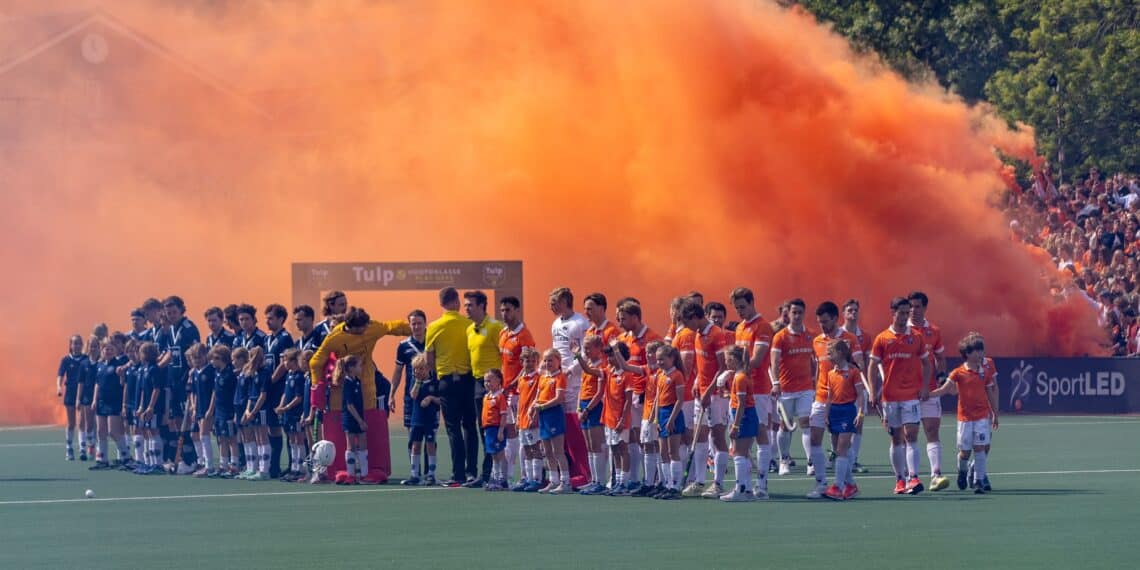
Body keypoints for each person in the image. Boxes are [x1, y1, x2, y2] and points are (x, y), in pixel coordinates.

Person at [309, 306, 411, 484]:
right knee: (346, 432)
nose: (366, 330)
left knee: (367, 431)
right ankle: (342, 470)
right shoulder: (335, 338)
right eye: (362, 328)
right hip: (342, 388)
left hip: (367, 387)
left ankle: (372, 470)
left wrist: (417, 330)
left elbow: (391, 327)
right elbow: (315, 361)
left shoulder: (371, 327)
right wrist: (316, 386)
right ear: (352, 327)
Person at [869, 297, 932, 495]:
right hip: (890, 396)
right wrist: (872, 391)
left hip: (910, 395)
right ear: (893, 313)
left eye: (908, 312)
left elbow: (926, 364)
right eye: (902, 312)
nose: (906, 316)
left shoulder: (917, 337)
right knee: (896, 438)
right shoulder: (882, 338)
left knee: (911, 434)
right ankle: (899, 480)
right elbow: (872, 366)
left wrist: (924, 387)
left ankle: (913, 477)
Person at [929, 333, 999, 494]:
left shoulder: (985, 372)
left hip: (982, 416)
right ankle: (962, 471)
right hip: (965, 419)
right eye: (977, 351)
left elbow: (991, 392)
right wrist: (928, 394)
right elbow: (945, 390)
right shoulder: (958, 372)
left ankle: (979, 480)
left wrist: (995, 413)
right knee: (965, 452)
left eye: (982, 351)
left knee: (980, 448)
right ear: (968, 354)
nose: (981, 354)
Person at [424, 287, 477, 487]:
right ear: (456, 301)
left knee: (453, 428)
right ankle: (472, 472)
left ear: (441, 304)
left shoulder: (434, 326)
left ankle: (458, 474)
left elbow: (429, 359)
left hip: (446, 382)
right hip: (467, 380)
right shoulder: (468, 324)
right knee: (470, 427)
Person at [810, 301, 864, 483]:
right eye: (819, 322)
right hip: (821, 398)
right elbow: (818, 367)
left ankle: (846, 484)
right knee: (814, 440)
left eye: (825, 321)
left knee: (840, 445)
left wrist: (846, 364)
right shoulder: (817, 341)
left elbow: (859, 365)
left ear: (835, 318)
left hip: (843, 400)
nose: (822, 326)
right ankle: (821, 484)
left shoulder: (849, 339)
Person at [680, 301, 729, 499]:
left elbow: (722, 366)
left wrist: (709, 390)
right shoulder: (698, 334)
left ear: (694, 317)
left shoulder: (716, 334)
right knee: (699, 436)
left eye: (686, 322)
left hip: (716, 395)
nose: (685, 327)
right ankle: (699, 481)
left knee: (717, 437)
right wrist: (698, 382)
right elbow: (703, 365)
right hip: (702, 392)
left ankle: (718, 484)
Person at [730, 287, 775, 494]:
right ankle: (745, 484)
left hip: (758, 388)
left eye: (743, 307)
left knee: (760, 433)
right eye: (737, 308)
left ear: (752, 302)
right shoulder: (740, 327)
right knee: (745, 437)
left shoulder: (763, 326)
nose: (740, 311)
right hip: (742, 387)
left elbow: (756, 359)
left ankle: (762, 484)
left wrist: (736, 371)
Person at [769, 298, 818, 482]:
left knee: (806, 423)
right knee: (785, 425)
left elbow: (816, 360)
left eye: (800, 312)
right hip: (786, 389)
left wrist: (816, 379)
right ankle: (783, 459)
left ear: (804, 314)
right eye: (793, 312)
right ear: (788, 314)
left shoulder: (811, 335)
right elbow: (774, 362)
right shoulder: (780, 337)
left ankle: (811, 462)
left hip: (805, 388)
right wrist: (775, 382)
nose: (797, 316)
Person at [548, 287, 591, 489]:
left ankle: (585, 473)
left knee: (575, 426)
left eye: (554, 301)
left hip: (575, 381)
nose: (551, 305)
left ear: (565, 300)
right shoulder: (555, 323)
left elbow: (586, 351)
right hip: (559, 380)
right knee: (562, 427)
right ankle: (570, 472)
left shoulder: (580, 323)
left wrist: (572, 370)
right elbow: (556, 351)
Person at [616, 299, 662, 488]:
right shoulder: (625, 338)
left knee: (651, 438)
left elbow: (657, 369)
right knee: (636, 437)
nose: (620, 323)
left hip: (647, 395)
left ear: (635, 317)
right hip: (631, 393)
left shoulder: (652, 338)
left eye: (623, 319)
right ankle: (636, 478)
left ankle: (657, 479)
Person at [908, 291, 950, 491]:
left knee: (932, 430)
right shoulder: (901, 330)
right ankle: (912, 477)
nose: (913, 310)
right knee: (909, 435)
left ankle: (936, 474)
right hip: (905, 392)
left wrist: (941, 377)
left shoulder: (934, 331)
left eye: (917, 306)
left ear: (925, 308)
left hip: (929, 391)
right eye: (911, 306)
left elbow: (941, 358)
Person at [465, 290, 505, 487]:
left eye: (470, 305)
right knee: (484, 430)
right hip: (477, 383)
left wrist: (501, 385)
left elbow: (505, 355)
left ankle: (493, 474)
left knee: (494, 430)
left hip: (493, 385)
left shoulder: (496, 327)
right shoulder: (470, 329)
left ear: (482, 306)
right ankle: (488, 473)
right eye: (465, 305)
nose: (466, 308)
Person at [821, 339, 866, 501]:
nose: (828, 356)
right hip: (834, 411)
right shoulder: (831, 373)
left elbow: (860, 394)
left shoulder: (853, 372)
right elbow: (829, 397)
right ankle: (851, 485)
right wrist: (826, 414)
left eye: (830, 352)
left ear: (840, 353)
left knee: (842, 448)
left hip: (848, 410)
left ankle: (838, 486)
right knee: (838, 450)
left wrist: (860, 412)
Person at [498, 296, 534, 482]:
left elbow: (530, 365)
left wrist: (513, 384)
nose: (504, 314)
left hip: (520, 393)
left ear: (517, 310)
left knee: (522, 435)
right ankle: (508, 476)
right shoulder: (503, 333)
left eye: (508, 310)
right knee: (509, 434)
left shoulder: (524, 335)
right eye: (502, 310)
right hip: (506, 393)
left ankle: (527, 476)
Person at [720, 345, 759, 502]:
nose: (726, 363)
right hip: (745, 415)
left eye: (728, 360)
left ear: (735, 360)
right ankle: (747, 489)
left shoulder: (740, 377)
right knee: (742, 454)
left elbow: (742, 403)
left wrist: (735, 425)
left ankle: (740, 489)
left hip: (744, 416)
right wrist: (729, 394)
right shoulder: (740, 376)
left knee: (738, 453)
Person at [840, 299, 873, 473]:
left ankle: (854, 460)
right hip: (841, 387)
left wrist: (870, 387)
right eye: (849, 310)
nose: (853, 313)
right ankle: (841, 456)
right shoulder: (839, 335)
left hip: (859, 386)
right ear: (843, 314)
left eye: (855, 310)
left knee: (858, 422)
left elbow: (866, 363)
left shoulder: (865, 337)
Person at [667, 297, 697, 487]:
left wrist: (676, 386)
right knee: (682, 438)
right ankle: (689, 478)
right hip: (680, 394)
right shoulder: (677, 333)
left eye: (671, 310)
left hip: (684, 395)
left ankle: (691, 478)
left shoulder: (685, 334)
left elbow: (686, 366)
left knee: (684, 436)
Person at [532, 348, 570, 494]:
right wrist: (533, 408)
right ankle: (553, 481)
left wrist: (542, 407)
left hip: (554, 414)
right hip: (543, 415)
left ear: (558, 361)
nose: (548, 363)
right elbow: (538, 395)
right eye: (546, 360)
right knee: (547, 451)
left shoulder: (560, 377)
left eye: (551, 360)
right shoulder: (543, 377)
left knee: (558, 450)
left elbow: (559, 398)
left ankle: (565, 482)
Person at [573, 335, 607, 494]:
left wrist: (587, 410)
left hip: (594, 407)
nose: (585, 351)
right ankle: (593, 480)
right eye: (584, 348)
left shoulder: (600, 367)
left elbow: (599, 393)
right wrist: (579, 408)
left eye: (588, 348)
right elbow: (582, 387)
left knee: (596, 445)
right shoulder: (587, 365)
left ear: (599, 349)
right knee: (589, 446)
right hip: (584, 405)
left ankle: (600, 481)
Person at [263, 304, 294, 478]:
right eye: (266, 318)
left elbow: (284, 363)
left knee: (287, 429)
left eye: (271, 318)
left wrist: (271, 380)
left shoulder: (285, 338)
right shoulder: (267, 338)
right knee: (271, 427)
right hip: (268, 390)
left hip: (280, 389)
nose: (268, 321)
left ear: (281, 319)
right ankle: (273, 466)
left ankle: (292, 465)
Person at [652, 345, 686, 500]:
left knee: (673, 452)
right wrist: (657, 418)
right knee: (663, 452)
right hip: (662, 414)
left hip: (673, 413)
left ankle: (675, 485)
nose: (659, 362)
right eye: (657, 359)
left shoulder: (677, 375)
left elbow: (680, 400)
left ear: (671, 359)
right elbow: (658, 398)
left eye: (662, 359)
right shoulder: (660, 375)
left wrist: (672, 419)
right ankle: (666, 484)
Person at [392, 310, 428, 457]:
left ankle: (429, 474)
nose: (417, 327)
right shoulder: (403, 346)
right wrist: (391, 394)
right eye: (413, 324)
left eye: (419, 323)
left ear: (425, 324)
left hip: (430, 395)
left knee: (429, 436)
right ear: (409, 325)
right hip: (411, 396)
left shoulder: (433, 343)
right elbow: (398, 371)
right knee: (413, 435)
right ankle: (415, 473)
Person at [599, 342, 634, 495]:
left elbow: (628, 400)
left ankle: (624, 483)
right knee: (614, 449)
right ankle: (617, 481)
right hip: (609, 418)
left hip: (621, 419)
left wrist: (622, 419)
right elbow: (589, 370)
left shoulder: (626, 374)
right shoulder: (609, 371)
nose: (609, 358)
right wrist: (579, 355)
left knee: (623, 449)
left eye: (612, 355)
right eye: (608, 355)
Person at [89, 339, 128, 469]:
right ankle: (103, 460)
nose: (109, 351)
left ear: (115, 350)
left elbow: (123, 384)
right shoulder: (100, 366)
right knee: (101, 431)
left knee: (113, 432)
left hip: (114, 402)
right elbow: (97, 384)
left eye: (111, 349)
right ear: (102, 350)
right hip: (101, 402)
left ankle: (125, 457)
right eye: (106, 349)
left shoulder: (119, 365)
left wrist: (122, 376)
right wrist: (94, 400)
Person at [403, 353, 441, 486]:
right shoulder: (415, 381)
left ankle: (431, 474)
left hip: (430, 419)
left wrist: (431, 398)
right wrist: (418, 382)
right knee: (416, 445)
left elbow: (441, 400)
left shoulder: (434, 382)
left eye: (421, 368)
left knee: (430, 444)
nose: (418, 371)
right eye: (415, 369)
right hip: (417, 419)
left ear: (428, 369)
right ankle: (414, 474)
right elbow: (413, 395)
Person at [512, 347, 545, 492]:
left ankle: (537, 479)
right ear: (522, 362)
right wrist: (518, 419)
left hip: (533, 419)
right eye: (527, 361)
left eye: (533, 361)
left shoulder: (538, 377)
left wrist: (535, 415)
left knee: (535, 448)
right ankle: (529, 479)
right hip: (522, 419)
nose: (530, 363)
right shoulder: (521, 379)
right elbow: (521, 401)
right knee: (526, 449)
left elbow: (539, 398)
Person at [240, 347, 271, 481]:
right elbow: (251, 395)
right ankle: (255, 468)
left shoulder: (265, 372)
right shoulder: (254, 373)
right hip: (252, 407)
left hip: (261, 409)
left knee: (262, 438)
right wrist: (248, 410)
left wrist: (253, 411)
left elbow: (262, 395)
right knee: (257, 439)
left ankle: (264, 470)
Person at [276, 348, 307, 482]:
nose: (284, 363)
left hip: (296, 413)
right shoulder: (289, 375)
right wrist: (281, 406)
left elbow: (299, 397)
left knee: (299, 439)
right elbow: (285, 393)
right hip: (288, 413)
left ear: (294, 361)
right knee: (292, 440)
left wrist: (287, 407)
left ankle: (301, 469)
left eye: (286, 360)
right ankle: (294, 467)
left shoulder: (300, 376)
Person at [336, 355, 368, 485]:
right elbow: (349, 405)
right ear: (351, 368)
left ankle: (364, 474)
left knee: (363, 444)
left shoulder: (357, 381)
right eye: (359, 366)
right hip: (351, 418)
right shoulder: (347, 383)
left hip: (359, 416)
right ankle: (351, 474)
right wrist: (360, 420)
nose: (361, 368)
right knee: (351, 446)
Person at [135, 342, 166, 475]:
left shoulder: (154, 369)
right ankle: (148, 462)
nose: (139, 355)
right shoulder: (144, 369)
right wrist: (142, 406)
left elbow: (156, 389)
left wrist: (151, 407)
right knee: (147, 432)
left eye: (141, 352)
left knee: (154, 432)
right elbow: (143, 390)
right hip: (146, 406)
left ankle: (157, 463)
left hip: (154, 407)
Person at [207, 344, 237, 478]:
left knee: (231, 438)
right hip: (218, 411)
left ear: (222, 358)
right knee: (221, 438)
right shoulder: (217, 373)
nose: (212, 361)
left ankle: (234, 465)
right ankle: (223, 465)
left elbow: (234, 394)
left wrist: (235, 412)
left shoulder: (230, 374)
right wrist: (211, 409)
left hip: (228, 411)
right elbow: (214, 392)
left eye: (215, 358)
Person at [186, 343, 216, 478]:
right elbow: (194, 393)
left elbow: (214, 392)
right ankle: (202, 462)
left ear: (205, 356)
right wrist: (193, 406)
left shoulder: (210, 370)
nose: (196, 360)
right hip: (199, 408)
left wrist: (210, 408)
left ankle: (209, 466)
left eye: (199, 357)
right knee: (197, 435)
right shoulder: (195, 373)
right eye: (194, 358)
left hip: (208, 408)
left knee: (204, 435)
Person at [56, 335, 87, 461]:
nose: (77, 346)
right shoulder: (66, 360)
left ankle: (82, 448)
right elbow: (60, 375)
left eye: (79, 343)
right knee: (71, 423)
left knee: (81, 422)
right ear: (70, 345)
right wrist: (58, 387)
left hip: (83, 393)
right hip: (70, 393)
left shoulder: (86, 359)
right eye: (74, 343)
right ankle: (69, 447)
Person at [480, 368, 511, 491]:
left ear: (498, 380)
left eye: (490, 380)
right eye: (485, 381)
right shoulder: (486, 396)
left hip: (497, 428)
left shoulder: (500, 396)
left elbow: (503, 415)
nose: (487, 383)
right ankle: (495, 477)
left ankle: (502, 479)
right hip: (489, 429)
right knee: (493, 455)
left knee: (500, 454)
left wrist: (501, 430)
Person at [228, 348, 251, 479]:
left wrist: (246, 410)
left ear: (242, 359)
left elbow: (247, 395)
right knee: (243, 438)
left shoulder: (247, 375)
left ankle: (253, 466)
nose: (233, 362)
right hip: (238, 409)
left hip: (244, 409)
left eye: (235, 359)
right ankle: (248, 465)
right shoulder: (239, 375)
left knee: (250, 437)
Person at [78, 335, 101, 461]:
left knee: (100, 425)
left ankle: (99, 449)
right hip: (86, 397)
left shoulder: (102, 362)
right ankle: (90, 446)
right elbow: (80, 382)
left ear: (99, 348)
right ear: (88, 347)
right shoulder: (84, 363)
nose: (93, 348)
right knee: (88, 424)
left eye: (95, 346)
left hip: (100, 397)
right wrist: (78, 399)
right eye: (91, 346)